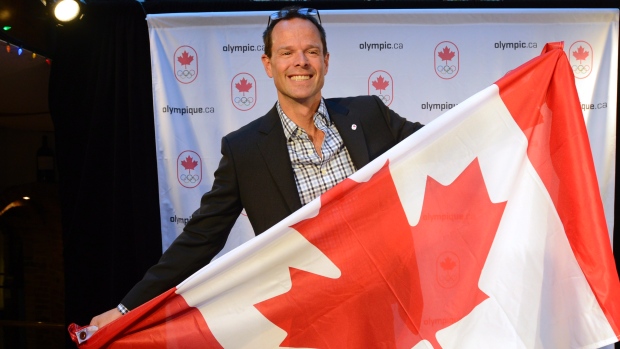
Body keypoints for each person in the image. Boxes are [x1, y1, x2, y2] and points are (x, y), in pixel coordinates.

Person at [90, 6, 423, 329]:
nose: (301, 62)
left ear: (326, 60)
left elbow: (443, 142)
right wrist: (125, 309)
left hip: (391, 307)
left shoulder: (368, 115)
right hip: (314, 321)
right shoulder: (245, 151)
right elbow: (200, 239)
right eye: (287, 52)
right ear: (268, 64)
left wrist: (478, 118)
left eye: (311, 51)